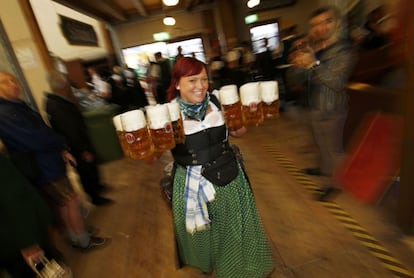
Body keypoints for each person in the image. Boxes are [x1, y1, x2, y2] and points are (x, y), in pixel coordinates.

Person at [165, 57, 274, 277]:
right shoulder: (167, 114)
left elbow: (237, 132)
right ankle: (212, 264)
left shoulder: (218, 101)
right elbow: (152, 156)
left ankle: (235, 271)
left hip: (228, 175)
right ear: (177, 83)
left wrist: (244, 120)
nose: (201, 86)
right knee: (202, 233)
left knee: (234, 229)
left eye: (204, 79)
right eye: (192, 80)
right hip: (190, 181)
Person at [0, 71, 108, 251]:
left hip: (48, 161)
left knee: (66, 203)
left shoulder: (17, 106)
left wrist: (60, 148)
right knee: (71, 201)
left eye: (14, 80)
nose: (13, 84)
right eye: (6, 82)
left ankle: (77, 235)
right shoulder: (5, 113)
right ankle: (83, 240)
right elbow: (35, 138)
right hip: (43, 166)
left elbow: (41, 131)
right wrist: (61, 141)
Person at [289, 6, 356, 201]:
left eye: (327, 22)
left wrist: (313, 63)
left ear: (337, 23)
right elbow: (297, 78)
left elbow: (335, 82)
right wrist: (297, 62)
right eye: (315, 24)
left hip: (332, 107)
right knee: (320, 143)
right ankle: (322, 168)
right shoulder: (315, 48)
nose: (320, 28)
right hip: (313, 105)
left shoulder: (344, 50)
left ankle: (333, 185)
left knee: (332, 149)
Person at [45, 70, 113, 206]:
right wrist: (83, 150)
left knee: (91, 167)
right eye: (66, 82)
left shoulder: (58, 101)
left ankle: (97, 187)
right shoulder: (57, 105)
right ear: (63, 85)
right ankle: (94, 197)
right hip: (77, 145)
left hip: (80, 142)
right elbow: (70, 131)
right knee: (85, 171)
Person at [0, 152, 66, 277]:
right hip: (16, 240)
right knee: (43, 270)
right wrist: (28, 243)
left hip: (12, 241)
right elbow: (13, 200)